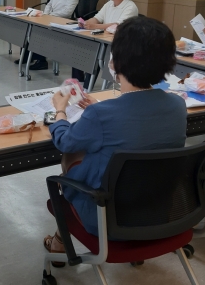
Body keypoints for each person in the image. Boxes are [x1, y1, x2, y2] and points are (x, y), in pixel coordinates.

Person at [43, 16, 186, 263]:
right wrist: (100, 110)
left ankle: (59, 241)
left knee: (72, 157)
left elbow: (65, 142)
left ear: (117, 61)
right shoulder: (177, 105)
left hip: (107, 219)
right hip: (160, 211)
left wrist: (60, 111)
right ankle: (59, 240)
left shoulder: (100, 115)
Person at [72, 0, 139, 88]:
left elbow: (117, 25)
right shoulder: (109, 4)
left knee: (95, 53)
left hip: (119, 44)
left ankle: (87, 87)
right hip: (103, 39)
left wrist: (94, 26)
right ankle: (78, 82)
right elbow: (97, 18)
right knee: (81, 48)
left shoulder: (130, 7)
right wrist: (86, 23)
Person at [23, 0, 80, 71]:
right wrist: (45, 15)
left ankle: (41, 61)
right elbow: (49, 4)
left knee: (40, 33)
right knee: (30, 27)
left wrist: (50, 16)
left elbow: (67, 12)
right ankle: (26, 57)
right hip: (50, 18)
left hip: (62, 21)